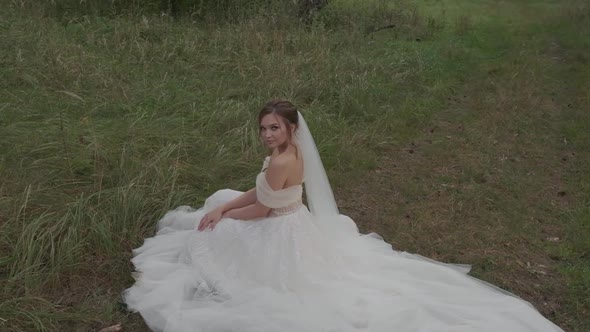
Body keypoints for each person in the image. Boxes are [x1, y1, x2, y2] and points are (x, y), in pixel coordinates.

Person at [123, 100, 564, 332]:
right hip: (292, 216)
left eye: (273, 127)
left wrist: (225, 214)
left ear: (291, 129)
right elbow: (257, 194)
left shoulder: (279, 162)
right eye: (262, 127)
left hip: (276, 227)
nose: (266, 134)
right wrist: (225, 204)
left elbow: (259, 207)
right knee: (219, 200)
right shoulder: (287, 155)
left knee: (211, 233)